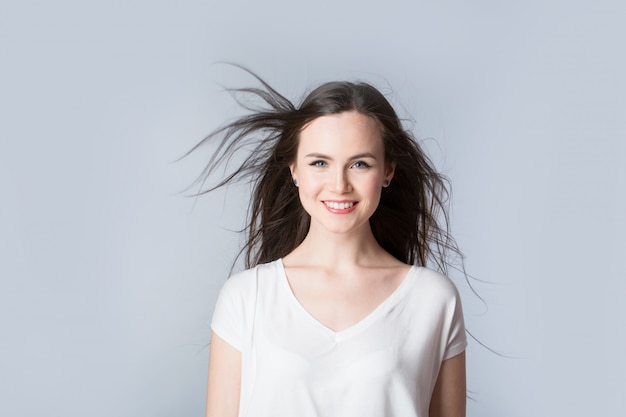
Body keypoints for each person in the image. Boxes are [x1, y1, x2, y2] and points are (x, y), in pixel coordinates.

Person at [195, 69, 467, 417]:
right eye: (320, 162)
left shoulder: (433, 300)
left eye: (359, 164)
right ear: (294, 169)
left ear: (387, 171)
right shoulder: (247, 297)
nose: (339, 185)